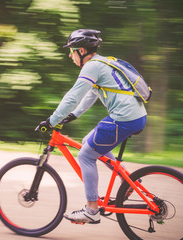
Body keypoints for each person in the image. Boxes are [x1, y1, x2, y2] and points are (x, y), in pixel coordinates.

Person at [35, 29, 147, 224]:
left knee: (85, 155)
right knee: (88, 141)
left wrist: (52, 121)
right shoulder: (101, 63)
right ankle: (130, 181)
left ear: (81, 50)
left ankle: (91, 210)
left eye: (71, 51)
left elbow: (73, 96)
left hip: (124, 118)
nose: (70, 55)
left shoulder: (91, 67)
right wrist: (73, 115)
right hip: (134, 117)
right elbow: (90, 95)